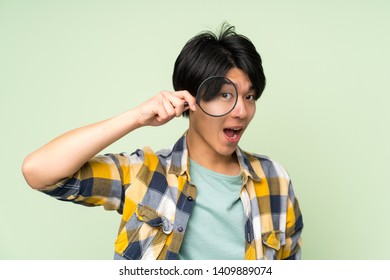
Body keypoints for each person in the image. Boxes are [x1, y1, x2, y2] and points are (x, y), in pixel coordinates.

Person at [22, 23, 303, 260]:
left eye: (249, 97)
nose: (241, 111)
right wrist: (136, 117)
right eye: (226, 95)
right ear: (192, 99)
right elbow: (39, 172)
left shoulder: (275, 179)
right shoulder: (146, 173)